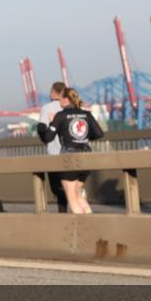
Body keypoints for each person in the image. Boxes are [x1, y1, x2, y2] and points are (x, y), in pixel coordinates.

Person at [37, 88, 104, 214]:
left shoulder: (60, 115)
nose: (59, 102)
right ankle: (90, 219)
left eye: (61, 99)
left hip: (69, 158)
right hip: (86, 157)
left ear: (66, 100)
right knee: (77, 194)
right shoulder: (86, 114)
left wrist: (52, 123)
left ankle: (83, 227)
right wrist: (83, 137)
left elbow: (48, 138)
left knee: (71, 197)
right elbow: (99, 134)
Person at [38, 82, 69, 212]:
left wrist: (45, 139)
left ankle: (62, 214)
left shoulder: (47, 108)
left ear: (52, 93)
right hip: (72, 151)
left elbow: (41, 127)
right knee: (70, 185)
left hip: (54, 152)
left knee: (57, 188)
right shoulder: (72, 106)